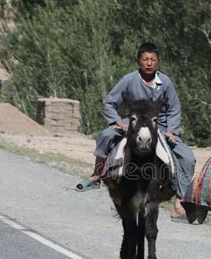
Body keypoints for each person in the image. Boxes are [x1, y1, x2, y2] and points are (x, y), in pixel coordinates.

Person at [76, 42, 194, 220]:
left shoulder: (166, 83)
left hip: (159, 126)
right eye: (145, 59)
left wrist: (172, 131)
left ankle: (180, 201)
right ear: (139, 61)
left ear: (158, 61)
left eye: (152, 59)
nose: (149, 63)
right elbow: (109, 103)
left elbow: (174, 109)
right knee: (106, 136)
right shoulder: (128, 80)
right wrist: (118, 122)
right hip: (132, 123)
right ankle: (96, 175)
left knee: (187, 157)